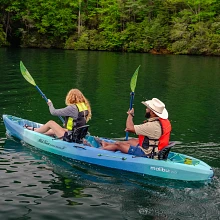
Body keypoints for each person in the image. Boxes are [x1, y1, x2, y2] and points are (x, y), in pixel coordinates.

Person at [100, 98, 171, 159]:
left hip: (148, 154)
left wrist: (130, 115)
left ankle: (100, 150)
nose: (146, 109)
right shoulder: (162, 122)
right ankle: (107, 144)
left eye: (147, 108)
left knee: (119, 144)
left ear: (152, 112)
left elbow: (129, 128)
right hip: (155, 149)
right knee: (132, 141)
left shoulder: (153, 126)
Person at [25, 89, 92, 141]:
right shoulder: (84, 107)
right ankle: (35, 129)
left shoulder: (72, 108)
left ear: (70, 97)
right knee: (54, 129)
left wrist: (50, 104)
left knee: (51, 123)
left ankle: (34, 133)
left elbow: (53, 112)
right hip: (78, 136)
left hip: (70, 138)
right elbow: (78, 122)